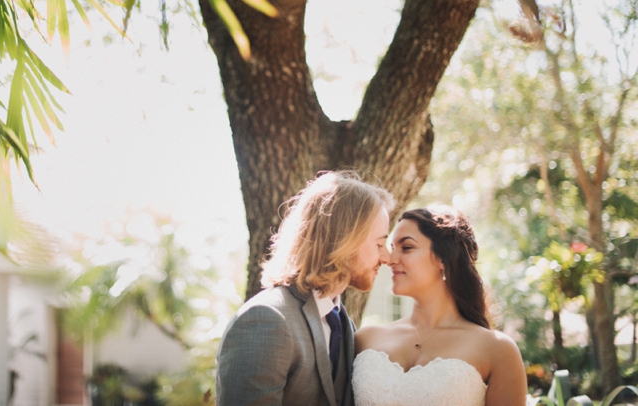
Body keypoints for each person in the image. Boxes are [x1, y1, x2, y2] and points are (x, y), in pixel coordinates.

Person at [216, 170, 395, 406]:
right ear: (345, 240)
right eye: (380, 243)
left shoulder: (343, 323)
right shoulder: (265, 320)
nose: (386, 257)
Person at [353, 206, 528, 406]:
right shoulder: (364, 340)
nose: (391, 260)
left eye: (407, 247)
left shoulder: (497, 349)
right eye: (392, 248)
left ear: (443, 259)